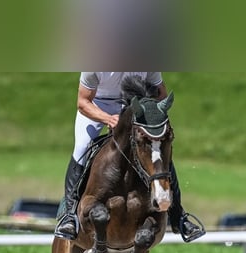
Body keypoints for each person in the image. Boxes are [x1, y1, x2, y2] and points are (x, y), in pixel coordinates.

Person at [54, 72, 206, 242]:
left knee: (158, 152)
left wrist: (149, 113)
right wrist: (108, 119)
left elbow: (161, 94)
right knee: (81, 149)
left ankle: (178, 216)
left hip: (135, 106)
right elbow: (83, 102)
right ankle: (69, 216)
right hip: (98, 106)